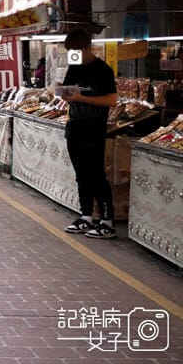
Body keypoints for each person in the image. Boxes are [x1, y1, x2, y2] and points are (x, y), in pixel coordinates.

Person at [60, 29, 118, 238]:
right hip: (74, 125)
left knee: (96, 174)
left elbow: (111, 101)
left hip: (94, 127)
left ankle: (107, 221)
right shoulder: (74, 67)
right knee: (81, 174)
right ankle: (86, 216)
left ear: (87, 48)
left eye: (76, 51)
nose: (73, 55)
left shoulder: (103, 70)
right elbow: (68, 93)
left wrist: (80, 98)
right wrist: (64, 94)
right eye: (70, 52)